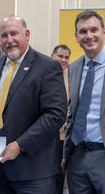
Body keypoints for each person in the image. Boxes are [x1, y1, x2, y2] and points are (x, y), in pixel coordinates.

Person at [0, 15, 68, 194]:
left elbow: (55, 115)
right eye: (4, 36)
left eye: (14, 33)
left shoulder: (47, 66)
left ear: (27, 34)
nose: (9, 40)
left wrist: (19, 144)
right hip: (0, 165)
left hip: (34, 171)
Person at [62, 10, 105, 194]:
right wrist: (66, 154)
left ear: (103, 32)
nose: (89, 36)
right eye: (83, 32)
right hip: (76, 155)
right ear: (76, 37)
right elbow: (73, 112)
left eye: (94, 30)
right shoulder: (73, 67)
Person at [51, 44, 71, 194]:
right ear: (52, 56)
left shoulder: (71, 77)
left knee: (60, 173)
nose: (63, 60)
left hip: (64, 137)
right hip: (46, 136)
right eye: (60, 56)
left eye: (66, 57)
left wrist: (64, 124)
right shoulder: (44, 73)